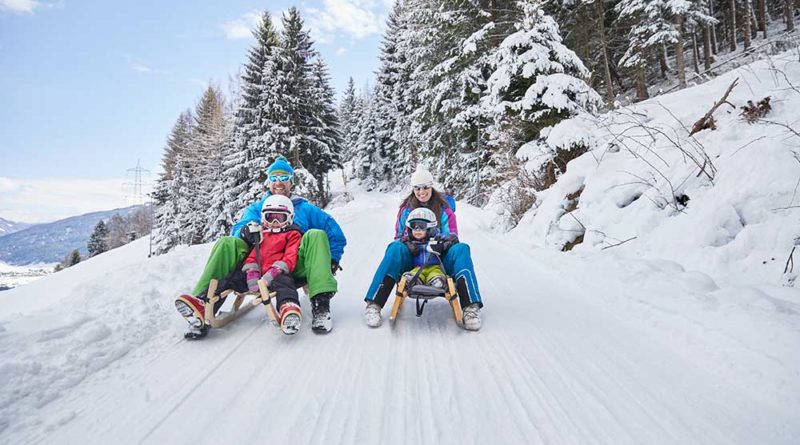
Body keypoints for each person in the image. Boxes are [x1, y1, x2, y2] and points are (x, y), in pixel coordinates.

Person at [174, 155, 346, 338]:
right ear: (268, 182)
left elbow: (335, 234)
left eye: (284, 177)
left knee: (316, 234)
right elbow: (239, 228)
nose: (278, 182)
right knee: (226, 242)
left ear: (291, 182)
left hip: (293, 266)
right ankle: (203, 304)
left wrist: (332, 260)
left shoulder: (306, 209)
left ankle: (321, 306)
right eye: (273, 178)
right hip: (258, 266)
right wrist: (245, 231)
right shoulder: (258, 208)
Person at [363, 165, 483, 330]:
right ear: (413, 189)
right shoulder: (405, 210)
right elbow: (399, 236)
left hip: (438, 258)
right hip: (412, 259)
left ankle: (471, 307)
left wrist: (443, 244)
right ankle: (374, 304)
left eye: (425, 187)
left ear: (431, 187)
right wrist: (409, 243)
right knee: (394, 248)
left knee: (461, 249)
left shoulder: (444, 209)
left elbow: (453, 236)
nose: (422, 192)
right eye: (417, 188)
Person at [398, 207, 459, 290]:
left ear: (430, 228)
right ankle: (414, 280)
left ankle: (437, 281)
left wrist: (442, 245)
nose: (417, 229)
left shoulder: (437, 238)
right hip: (417, 268)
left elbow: (452, 238)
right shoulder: (409, 240)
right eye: (413, 226)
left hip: (434, 267)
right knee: (414, 273)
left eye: (422, 226)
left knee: (436, 273)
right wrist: (408, 244)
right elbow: (400, 240)